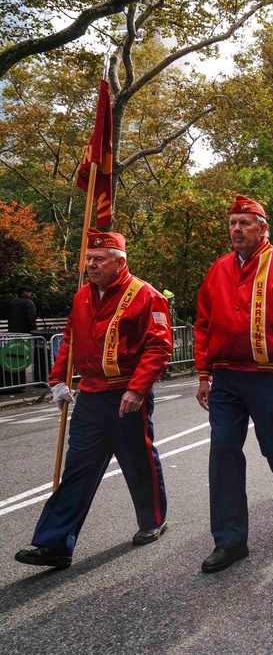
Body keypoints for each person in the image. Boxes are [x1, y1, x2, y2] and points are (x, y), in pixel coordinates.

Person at [14, 229, 171, 570]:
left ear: (120, 262)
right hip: (91, 396)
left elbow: (158, 347)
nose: (91, 265)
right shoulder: (82, 296)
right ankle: (55, 544)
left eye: (99, 259)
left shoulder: (146, 296)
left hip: (127, 394)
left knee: (138, 461)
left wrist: (138, 389)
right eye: (88, 259)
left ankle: (153, 519)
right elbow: (70, 339)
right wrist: (57, 380)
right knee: (77, 470)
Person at [195, 194, 273, 574]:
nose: (236, 229)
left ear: (263, 228)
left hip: (270, 377)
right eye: (232, 223)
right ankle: (230, 542)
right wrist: (204, 373)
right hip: (227, 378)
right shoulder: (218, 269)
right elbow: (203, 324)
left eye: (244, 222)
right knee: (223, 453)